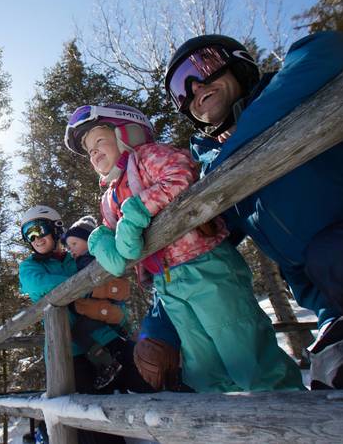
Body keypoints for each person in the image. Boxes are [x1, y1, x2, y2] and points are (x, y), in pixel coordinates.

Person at [163, 32, 343, 389]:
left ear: (239, 63)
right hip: (339, 308)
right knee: (339, 386)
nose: (194, 88)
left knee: (340, 253)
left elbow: (332, 49)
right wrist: (158, 329)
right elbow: (194, 253)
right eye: (181, 89)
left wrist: (231, 156)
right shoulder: (215, 177)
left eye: (202, 66)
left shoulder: (299, 86)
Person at [64, 103, 303, 393]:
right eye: (89, 150)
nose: (94, 153)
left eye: (99, 141)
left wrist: (138, 208)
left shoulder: (146, 157)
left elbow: (181, 174)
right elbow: (116, 236)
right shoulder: (109, 197)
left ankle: (282, 406)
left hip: (203, 264)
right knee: (201, 365)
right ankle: (222, 422)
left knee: (241, 346)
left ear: (126, 132)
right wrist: (100, 240)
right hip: (166, 284)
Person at [18, 205, 151, 444]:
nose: (35, 238)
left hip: (106, 337)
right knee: (95, 421)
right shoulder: (30, 267)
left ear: (55, 229)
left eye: (38, 230)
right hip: (69, 353)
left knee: (152, 374)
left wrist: (117, 313)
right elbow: (43, 285)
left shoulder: (76, 257)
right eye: (28, 234)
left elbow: (113, 288)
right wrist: (89, 286)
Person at [60, 215, 128, 390]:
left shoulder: (92, 258)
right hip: (99, 308)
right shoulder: (82, 260)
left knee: (78, 332)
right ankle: (111, 356)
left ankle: (107, 364)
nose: (71, 249)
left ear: (87, 240)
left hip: (102, 307)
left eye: (74, 244)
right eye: (69, 246)